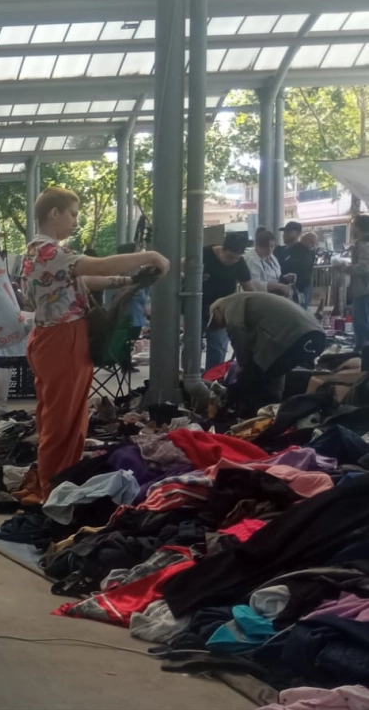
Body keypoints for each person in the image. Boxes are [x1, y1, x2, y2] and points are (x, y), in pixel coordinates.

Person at [21, 187, 170, 498]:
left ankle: (58, 482)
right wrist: (149, 255)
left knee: (60, 415)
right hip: (62, 338)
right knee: (62, 421)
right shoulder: (49, 251)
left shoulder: (38, 252)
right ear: (54, 214)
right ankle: (54, 490)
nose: (76, 221)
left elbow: (86, 279)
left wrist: (130, 280)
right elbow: (99, 266)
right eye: (73, 214)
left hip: (52, 338)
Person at [209, 292, 326, 416]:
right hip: (316, 337)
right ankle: (273, 410)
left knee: (248, 376)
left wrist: (242, 363)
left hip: (298, 335)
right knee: (271, 371)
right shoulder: (253, 307)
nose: (219, 327)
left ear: (217, 309)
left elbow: (235, 327)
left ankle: (238, 411)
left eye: (215, 320)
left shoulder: (228, 302)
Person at [202, 233, 261, 368]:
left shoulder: (240, 263)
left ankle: (213, 375)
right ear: (223, 248)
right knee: (192, 343)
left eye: (236, 258)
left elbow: (249, 289)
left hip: (221, 309)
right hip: (197, 305)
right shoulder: (205, 254)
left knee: (218, 345)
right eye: (229, 257)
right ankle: (189, 374)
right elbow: (183, 265)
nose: (232, 261)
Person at [277, 221, 315, 305]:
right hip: (279, 294)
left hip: (297, 295)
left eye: (289, 231)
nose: (285, 234)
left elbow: (305, 276)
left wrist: (292, 279)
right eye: (284, 231)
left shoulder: (303, 251)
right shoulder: (278, 250)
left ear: (298, 234)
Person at [350, 214, 369, 352]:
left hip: (364, 290)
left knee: (361, 321)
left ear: (359, 227)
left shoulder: (365, 246)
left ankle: (363, 350)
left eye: (354, 225)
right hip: (362, 289)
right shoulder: (362, 245)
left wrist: (345, 268)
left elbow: (363, 267)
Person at [249, 229, 288, 294]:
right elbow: (255, 284)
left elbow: (274, 276)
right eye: (266, 247)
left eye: (272, 246)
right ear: (258, 246)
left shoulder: (272, 257)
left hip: (275, 293)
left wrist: (285, 277)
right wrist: (279, 286)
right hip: (261, 296)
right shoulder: (252, 261)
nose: (269, 249)